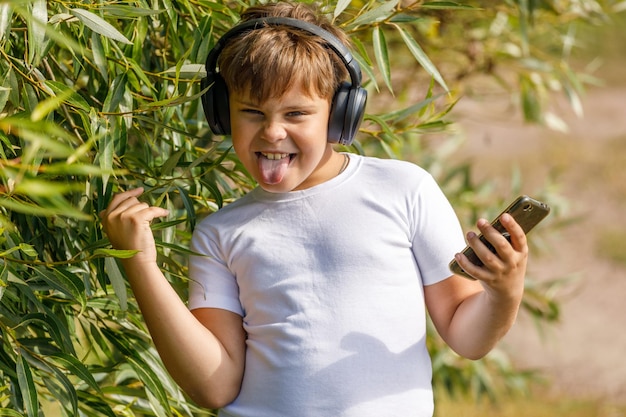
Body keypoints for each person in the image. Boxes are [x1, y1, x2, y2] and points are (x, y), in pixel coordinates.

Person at [100, 2, 528, 416]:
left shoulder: (404, 190)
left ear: (340, 114)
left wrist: (504, 291)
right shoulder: (219, 234)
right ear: (221, 114)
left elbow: (466, 336)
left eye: (296, 113)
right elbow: (212, 386)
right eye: (250, 112)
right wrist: (140, 264)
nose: (272, 132)